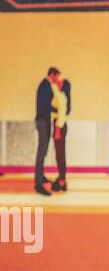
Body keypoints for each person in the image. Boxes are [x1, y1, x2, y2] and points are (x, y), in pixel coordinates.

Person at [34, 66, 71, 194]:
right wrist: (57, 111)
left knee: (53, 153)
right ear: (52, 75)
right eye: (57, 77)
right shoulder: (46, 85)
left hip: (53, 123)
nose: (58, 80)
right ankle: (38, 183)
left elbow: (61, 107)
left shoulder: (56, 90)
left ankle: (54, 179)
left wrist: (58, 115)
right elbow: (45, 105)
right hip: (43, 121)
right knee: (43, 151)